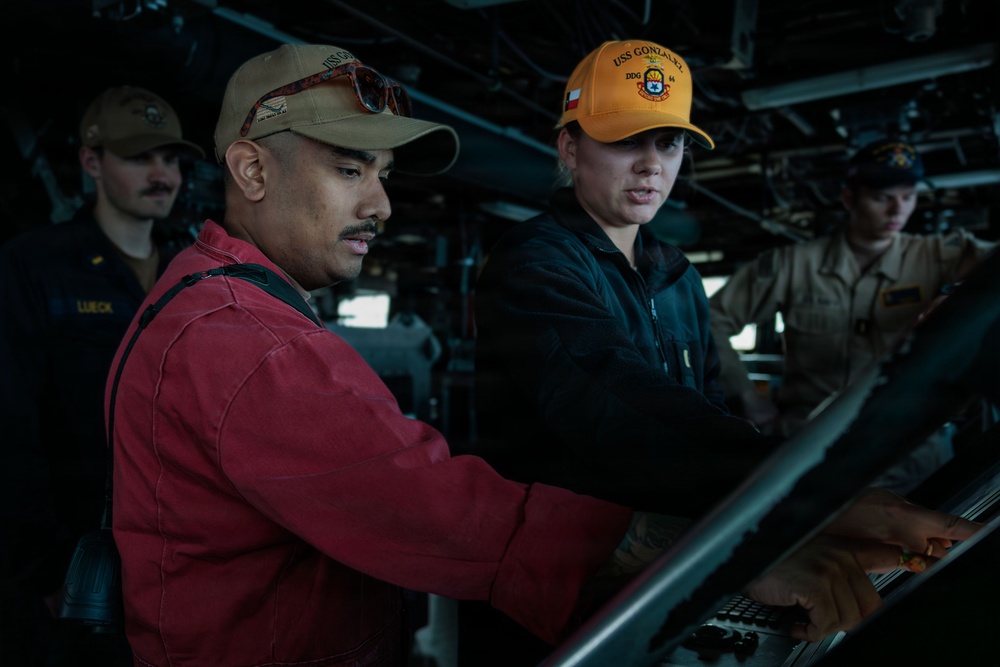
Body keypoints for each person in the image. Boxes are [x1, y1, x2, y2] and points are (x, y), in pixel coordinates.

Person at [108, 42, 976, 667]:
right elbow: (441, 506)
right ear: (252, 172)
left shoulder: (239, 308)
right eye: (349, 170)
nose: (381, 204)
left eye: (382, 175)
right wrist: (743, 538)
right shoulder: (237, 340)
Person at [468, 39, 980, 665]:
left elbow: (704, 409)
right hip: (556, 592)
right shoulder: (534, 263)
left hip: (668, 579)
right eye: (626, 139)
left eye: (669, 142)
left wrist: (785, 522)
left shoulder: (678, 277)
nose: (652, 165)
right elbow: (615, 406)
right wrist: (804, 489)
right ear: (570, 148)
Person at [0, 85, 204, 665]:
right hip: (71, 573)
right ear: (92, 162)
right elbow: (10, 427)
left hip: (176, 560)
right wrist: (44, 572)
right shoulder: (33, 265)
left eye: (171, 159)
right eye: (140, 157)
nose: (162, 174)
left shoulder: (191, 274)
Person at [708, 138, 998, 492]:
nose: (898, 211)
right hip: (810, 451)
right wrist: (746, 394)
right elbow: (711, 318)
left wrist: (960, 298)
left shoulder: (942, 256)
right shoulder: (793, 265)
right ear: (849, 198)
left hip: (910, 452)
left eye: (907, 197)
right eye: (881, 198)